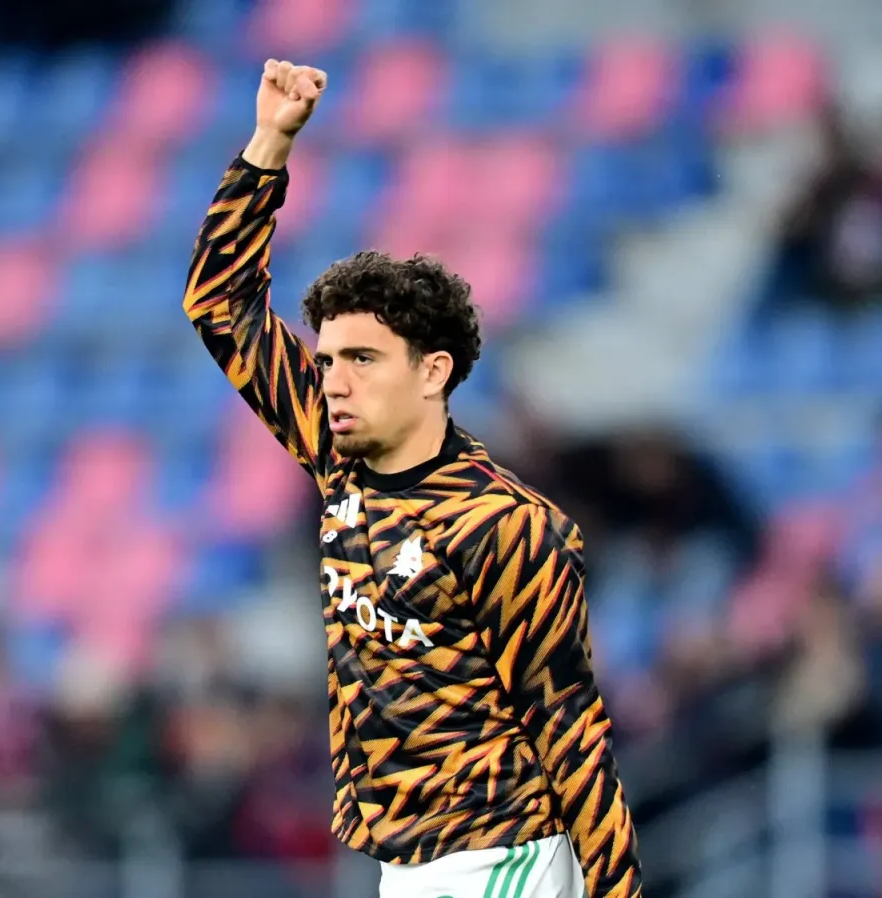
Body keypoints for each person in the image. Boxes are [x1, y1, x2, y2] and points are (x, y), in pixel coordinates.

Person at [183, 59, 643, 898]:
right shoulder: (337, 455)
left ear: (433, 372)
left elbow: (570, 728)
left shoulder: (505, 526)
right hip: (408, 863)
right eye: (328, 360)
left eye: (362, 359)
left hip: (502, 853)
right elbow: (219, 305)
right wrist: (268, 145)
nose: (334, 381)